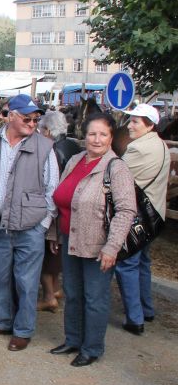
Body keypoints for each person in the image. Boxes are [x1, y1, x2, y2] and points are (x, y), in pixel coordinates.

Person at [0, 94, 58, 351]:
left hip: (29, 227)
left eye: (36, 119)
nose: (33, 123)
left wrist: (43, 224)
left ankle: (23, 329)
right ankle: (2, 320)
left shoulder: (44, 146)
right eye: (27, 118)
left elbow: (52, 187)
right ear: (10, 116)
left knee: (26, 282)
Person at [49, 113, 136, 366]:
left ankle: (92, 347)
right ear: (83, 135)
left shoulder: (116, 167)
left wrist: (112, 247)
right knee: (73, 293)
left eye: (103, 134)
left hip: (98, 245)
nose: (97, 140)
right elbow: (62, 200)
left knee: (95, 298)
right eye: (92, 134)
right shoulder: (75, 160)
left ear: (111, 138)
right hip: (70, 238)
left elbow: (126, 210)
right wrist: (55, 233)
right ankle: (73, 339)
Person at [115, 104, 170, 335]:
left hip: (137, 217)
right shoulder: (161, 145)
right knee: (143, 264)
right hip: (154, 216)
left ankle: (135, 318)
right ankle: (147, 309)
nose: (130, 125)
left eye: (136, 121)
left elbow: (118, 177)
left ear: (149, 125)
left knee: (126, 263)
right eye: (131, 120)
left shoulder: (138, 148)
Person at [35, 111, 81, 312]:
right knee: (57, 253)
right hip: (70, 208)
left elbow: (52, 184)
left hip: (56, 208)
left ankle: (48, 295)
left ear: (47, 130)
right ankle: (55, 289)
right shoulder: (74, 145)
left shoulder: (52, 150)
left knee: (48, 254)